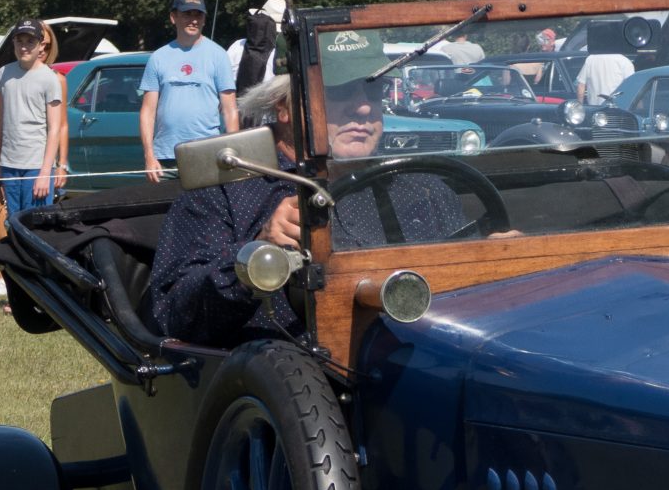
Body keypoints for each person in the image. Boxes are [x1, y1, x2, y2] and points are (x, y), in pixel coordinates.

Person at [151, 75, 477, 345]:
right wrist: (258, 254)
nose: (364, 107)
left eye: (374, 90)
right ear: (284, 107)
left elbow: (471, 291)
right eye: (338, 89)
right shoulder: (224, 191)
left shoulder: (421, 188)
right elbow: (175, 318)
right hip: (285, 391)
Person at [0, 19, 67, 299]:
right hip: (9, 163)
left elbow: (55, 127)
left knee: (37, 227)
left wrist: (48, 169)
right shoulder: (4, 73)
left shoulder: (49, 78)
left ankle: (45, 290)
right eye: (20, 41)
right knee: (12, 225)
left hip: (35, 165)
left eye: (30, 41)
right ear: (14, 43)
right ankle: (18, 289)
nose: (24, 46)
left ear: (41, 45)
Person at [139, 0, 239, 183]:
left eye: (198, 15)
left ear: (204, 20)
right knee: (164, 212)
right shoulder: (158, 57)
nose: (193, 20)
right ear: (173, 17)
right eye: (187, 14)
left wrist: (232, 151)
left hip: (208, 154)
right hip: (165, 157)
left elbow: (230, 109)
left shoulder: (218, 55)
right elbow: (147, 112)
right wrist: (149, 156)